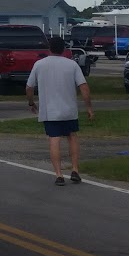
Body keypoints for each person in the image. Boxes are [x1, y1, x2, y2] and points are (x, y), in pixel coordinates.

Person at [27, 35, 94, 186]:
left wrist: (31, 102)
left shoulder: (39, 64)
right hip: (69, 109)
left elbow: (29, 87)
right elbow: (83, 87)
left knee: (54, 139)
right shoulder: (72, 65)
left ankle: (59, 174)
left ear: (49, 48)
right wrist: (89, 107)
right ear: (64, 49)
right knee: (72, 136)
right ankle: (75, 169)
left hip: (50, 111)